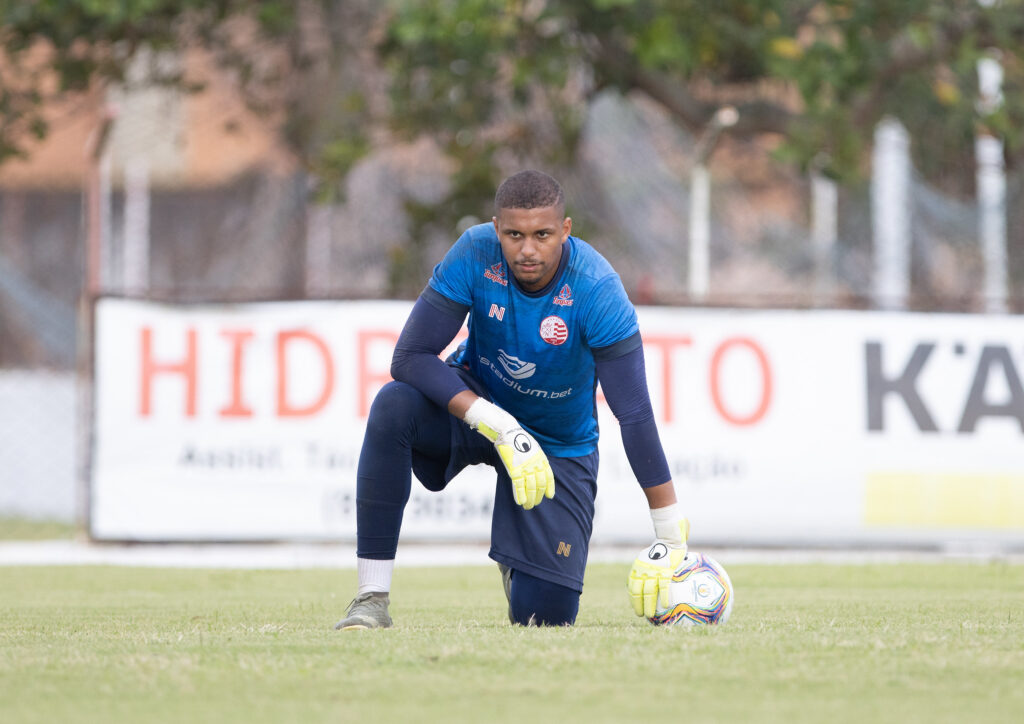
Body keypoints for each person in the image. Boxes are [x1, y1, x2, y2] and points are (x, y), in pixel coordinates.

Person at [335, 170, 689, 629]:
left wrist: (670, 531)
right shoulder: (474, 250)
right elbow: (409, 357)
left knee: (544, 616)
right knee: (393, 404)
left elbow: (635, 414)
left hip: (557, 440)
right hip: (481, 408)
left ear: (564, 230)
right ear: (496, 227)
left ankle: (521, 564)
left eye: (542, 235)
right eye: (514, 235)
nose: (527, 249)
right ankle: (371, 599)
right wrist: (499, 426)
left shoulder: (597, 289)